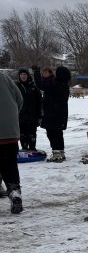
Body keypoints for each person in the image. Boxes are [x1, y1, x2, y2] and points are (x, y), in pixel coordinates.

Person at [33, 64, 71, 162]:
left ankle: (57, 154)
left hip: (53, 113)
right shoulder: (64, 85)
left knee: (52, 133)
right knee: (58, 133)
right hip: (60, 113)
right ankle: (61, 153)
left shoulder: (56, 84)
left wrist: (36, 73)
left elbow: (41, 85)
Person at [0, 70, 24, 213]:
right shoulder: (4, 77)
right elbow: (19, 99)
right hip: (9, 133)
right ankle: (14, 193)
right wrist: (11, 116)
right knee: (9, 165)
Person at [15, 67, 42, 151]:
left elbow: (40, 102)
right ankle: (24, 149)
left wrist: (40, 115)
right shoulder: (16, 86)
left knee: (32, 134)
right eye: (21, 74)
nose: (23, 76)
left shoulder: (34, 87)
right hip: (20, 115)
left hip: (32, 116)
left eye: (25, 74)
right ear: (19, 76)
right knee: (22, 134)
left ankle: (32, 149)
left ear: (28, 75)